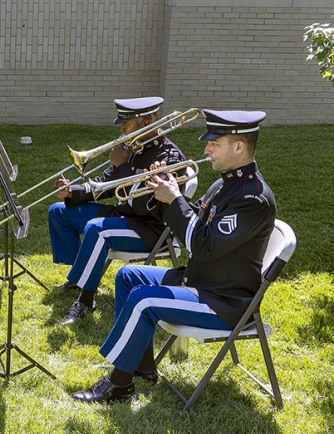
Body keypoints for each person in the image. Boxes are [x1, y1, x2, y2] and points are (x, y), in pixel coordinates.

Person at [70, 110, 275, 404]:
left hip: (224, 301)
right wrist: (164, 193)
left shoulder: (251, 198)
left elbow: (202, 245)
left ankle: (118, 385)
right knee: (128, 276)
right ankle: (141, 366)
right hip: (202, 281)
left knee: (144, 299)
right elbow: (189, 228)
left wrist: (176, 199)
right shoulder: (225, 184)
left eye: (214, 144)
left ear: (239, 147)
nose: (206, 149)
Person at [48, 97, 186, 325]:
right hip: (123, 217)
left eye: (127, 123)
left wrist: (123, 166)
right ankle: (79, 277)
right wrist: (72, 191)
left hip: (149, 228)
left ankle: (85, 300)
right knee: (58, 212)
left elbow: (145, 204)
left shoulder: (168, 157)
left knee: (97, 230)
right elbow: (106, 184)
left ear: (147, 122)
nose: (122, 128)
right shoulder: (133, 148)